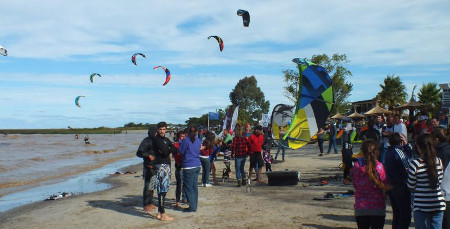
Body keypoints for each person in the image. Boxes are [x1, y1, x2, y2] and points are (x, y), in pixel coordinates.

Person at [408, 133, 446, 229]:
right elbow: (439, 181)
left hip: (421, 205)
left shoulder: (415, 164)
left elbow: (411, 186)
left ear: (419, 147)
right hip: (438, 204)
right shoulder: (438, 161)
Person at [351, 140, 390, 229]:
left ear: (362, 152)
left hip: (361, 207)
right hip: (377, 207)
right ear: (377, 152)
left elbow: (354, 183)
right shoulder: (379, 167)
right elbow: (385, 183)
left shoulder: (356, 166)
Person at [384, 132, 412, 229]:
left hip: (392, 184)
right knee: (405, 214)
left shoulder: (389, 151)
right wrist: (407, 145)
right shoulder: (398, 151)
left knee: (397, 213)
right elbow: (407, 166)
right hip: (401, 185)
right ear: (400, 141)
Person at [152, 122, 178, 221]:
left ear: (166, 130)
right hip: (161, 166)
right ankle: (163, 214)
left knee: (164, 189)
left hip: (167, 165)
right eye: (160, 129)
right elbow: (166, 152)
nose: (162, 131)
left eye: (164, 129)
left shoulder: (166, 140)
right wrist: (168, 149)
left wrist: (168, 149)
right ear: (157, 130)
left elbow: (175, 149)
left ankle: (159, 212)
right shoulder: (156, 140)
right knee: (162, 190)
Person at [179, 125, 202, 212]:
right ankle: (194, 205)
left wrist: (181, 143)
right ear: (196, 132)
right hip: (197, 165)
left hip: (188, 165)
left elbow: (181, 151)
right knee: (194, 186)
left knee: (188, 187)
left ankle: (192, 206)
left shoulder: (186, 140)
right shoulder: (198, 140)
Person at [431, 128, 450, 228]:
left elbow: (441, 170)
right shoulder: (444, 148)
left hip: (445, 191)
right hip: (445, 191)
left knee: (445, 222)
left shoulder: (442, 151)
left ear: (437, 140)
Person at [136, 126, 158, 213]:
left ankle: (150, 202)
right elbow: (139, 152)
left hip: (155, 166)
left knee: (153, 185)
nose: (156, 133)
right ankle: (145, 205)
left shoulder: (156, 140)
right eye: (155, 132)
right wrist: (148, 156)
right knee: (147, 185)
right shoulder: (146, 141)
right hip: (148, 166)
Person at [173, 130, 186, 207]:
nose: (183, 138)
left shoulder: (187, 144)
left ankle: (184, 198)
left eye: (184, 136)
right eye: (181, 136)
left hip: (186, 165)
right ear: (178, 137)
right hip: (178, 165)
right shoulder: (176, 145)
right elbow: (176, 155)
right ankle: (177, 200)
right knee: (179, 184)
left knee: (186, 183)